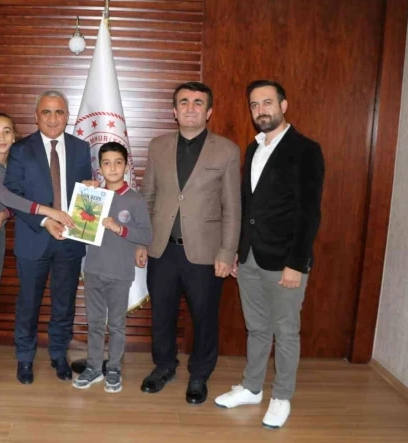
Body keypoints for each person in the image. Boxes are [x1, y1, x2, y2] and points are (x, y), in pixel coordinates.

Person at [213, 80, 324, 429]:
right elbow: (249, 207)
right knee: (257, 328)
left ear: (283, 105)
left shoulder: (306, 150)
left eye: (267, 102)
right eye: (254, 104)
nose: (260, 110)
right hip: (249, 258)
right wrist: (237, 250)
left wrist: (296, 263)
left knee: (285, 331)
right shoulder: (253, 148)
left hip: (284, 261)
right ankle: (251, 388)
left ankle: (281, 397)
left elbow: (309, 213)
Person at [135, 81, 241, 405]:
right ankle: (164, 366)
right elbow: (147, 197)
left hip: (206, 253)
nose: (190, 108)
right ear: (174, 111)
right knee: (161, 314)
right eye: (184, 102)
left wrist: (227, 252)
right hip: (162, 249)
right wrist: (140, 241)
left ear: (208, 112)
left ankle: (199, 374)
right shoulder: (158, 146)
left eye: (198, 102)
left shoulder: (227, 150)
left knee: (205, 317)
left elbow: (232, 207)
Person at [0, 113, 75, 376]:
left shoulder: (17, 163)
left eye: (6, 131)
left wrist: (2, 215)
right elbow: (8, 196)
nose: (1, 137)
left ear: (14, 136)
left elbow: (13, 203)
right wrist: (50, 211)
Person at [4, 90, 93, 384]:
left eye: (59, 112)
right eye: (46, 112)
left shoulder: (81, 148)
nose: (53, 118)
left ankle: (58, 354)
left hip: (71, 239)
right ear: (36, 116)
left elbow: (84, 192)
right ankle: (25, 358)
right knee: (28, 304)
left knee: (64, 304)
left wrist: (91, 188)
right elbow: (13, 195)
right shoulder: (20, 150)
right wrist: (44, 221)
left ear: (67, 116)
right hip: (34, 237)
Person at [71, 142, 153, 393]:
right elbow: (78, 225)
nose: (113, 168)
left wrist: (120, 228)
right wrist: (82, 201)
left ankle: (114, 368)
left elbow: (146, 235)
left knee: (116, 325)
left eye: (118, 163)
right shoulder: (94, 195)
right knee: (95, 323)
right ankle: (94, 367)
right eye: (106, 163)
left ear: (126, 166)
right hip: (93, 270)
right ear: (100, 167)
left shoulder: (135, 199)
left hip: (120, 273)